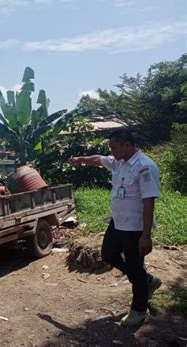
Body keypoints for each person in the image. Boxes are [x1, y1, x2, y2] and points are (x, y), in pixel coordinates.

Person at [69, 128, 162, 327]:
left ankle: (139, 309)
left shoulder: (144, 166)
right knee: (108, 254)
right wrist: (79, 159)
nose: (111, 151)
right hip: (117, 222)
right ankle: (147, 281)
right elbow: (98, 159)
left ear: (127, 145)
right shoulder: (119, 162)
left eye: (114, 147)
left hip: (134, 227)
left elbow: (148, 203)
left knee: (135, 266)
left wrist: (146, 236)